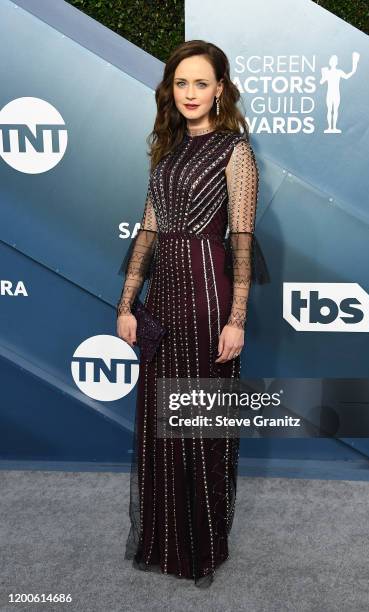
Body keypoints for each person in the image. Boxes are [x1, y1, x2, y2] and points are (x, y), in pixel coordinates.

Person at [116, 39, 270, 588]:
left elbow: (243, 240)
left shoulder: (236, 152)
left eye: (200, 83)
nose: (190, 93)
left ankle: (200, 548)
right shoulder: (168, 149)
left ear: (220, 89)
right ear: (170, 90)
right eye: (181, 83)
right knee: (162, 421)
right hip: (164, 298)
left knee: (200, 423)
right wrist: (127, 301)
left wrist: (237, 319)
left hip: (209, 297)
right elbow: (149, 228)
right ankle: (163, 540)